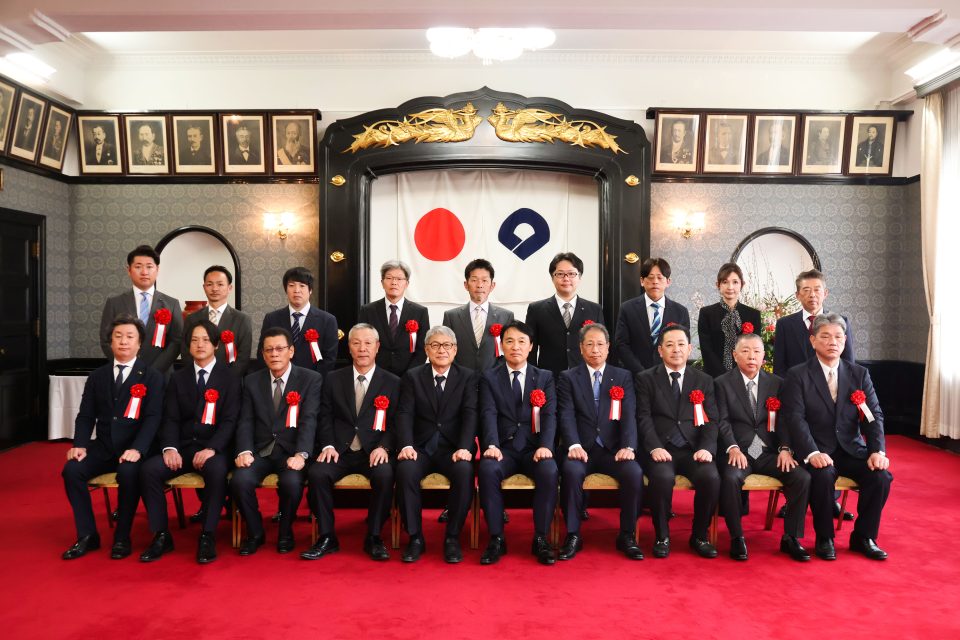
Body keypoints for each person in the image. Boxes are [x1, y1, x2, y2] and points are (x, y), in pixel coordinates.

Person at [782, 313, 892, 561]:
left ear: (845, 341)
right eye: (825, 336)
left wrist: (877, 451)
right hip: (816, 449)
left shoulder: (859, 374)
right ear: (813, 341)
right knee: (822, 475)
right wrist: (812, 453)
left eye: (838, 337)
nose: (833, 342)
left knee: (880, 476)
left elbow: (873, 416)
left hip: (851, 449)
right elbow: (795, 418)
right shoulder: (798, 375)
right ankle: (825, 537)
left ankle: (863, 537)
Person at [61, 315, 164, 560]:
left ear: (140, 343)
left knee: (128, 473)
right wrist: (80, 445)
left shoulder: (152, 377)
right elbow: (86, 415)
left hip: (136, 449)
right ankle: (87, 535)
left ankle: (122, 537)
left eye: (129, 337)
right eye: (118, 336)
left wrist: (138, 449)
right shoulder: (98, 376)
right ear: (110, 342)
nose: (123, 342)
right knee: (72, 470)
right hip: (104, 447)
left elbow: (153, 418)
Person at [138, 320, 241, 564]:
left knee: (216, 471)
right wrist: (170, 448)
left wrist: (212, 448)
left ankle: (208, 534)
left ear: (216, 345)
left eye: (205, 340)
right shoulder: (178, 378)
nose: (200, 345)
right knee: (149, 470)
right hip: (183, 447)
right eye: (194, 340)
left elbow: (230, 421)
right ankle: (161, 534)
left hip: (215, 449)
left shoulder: (230, 378)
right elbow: (170, 418)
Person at [302, 324, 401, 561]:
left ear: (377, 347)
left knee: (385, 475)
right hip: (339, 450)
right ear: (349, 348)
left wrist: (384, 447)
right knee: (317, 474)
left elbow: (397, 421)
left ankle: (374, 536)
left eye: (368, 343)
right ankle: (327, 536)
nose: (362, 348)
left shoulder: (393, 382)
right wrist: (327, 445)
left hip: (373, 451)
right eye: (356, 343)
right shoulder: (333, 379)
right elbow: (324, 416)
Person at [716, 333, 811, 561]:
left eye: (757, 351)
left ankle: (791, 537)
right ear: (735, 355)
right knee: (730, 478)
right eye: (745, 351)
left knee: (802, 477)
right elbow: (722, 421)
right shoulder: (721, 383)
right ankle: (737, 537)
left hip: (768, 452)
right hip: (739, 452)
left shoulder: (777, 383)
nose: (752, 356)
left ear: (763, 357)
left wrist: (785, 448)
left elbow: (786, 420)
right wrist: (732, 447)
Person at [557, 323, 644, 560]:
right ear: (581, 348)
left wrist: (628, 446)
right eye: (589, 344)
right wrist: (573, 444)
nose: (595, 349)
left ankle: (627, 534)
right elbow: (566, 414)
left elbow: (629, 414)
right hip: (581, 449)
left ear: (608, 347)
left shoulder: (623, 376)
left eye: (600, 344)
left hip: (613, 449)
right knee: (571, 472)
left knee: (634, 473)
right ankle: (573, 534)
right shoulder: (568, 377)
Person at [231, 327, 321, 555]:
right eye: (269, 350)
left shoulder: (310, 379)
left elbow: (309, 420)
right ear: (262, 354)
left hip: (291, 452)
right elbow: (245, 420)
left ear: (291, 351)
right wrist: (244, 450)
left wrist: (302, 454)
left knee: (291, 483)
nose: (274, 354)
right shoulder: (251, 381)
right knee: (240, 481)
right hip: (260, 451)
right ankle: (255, 532)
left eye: (280, 348)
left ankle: (285, 531)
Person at [393, 326, 478, 563]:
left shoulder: (468, 377)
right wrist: (406, 445)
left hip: (453, 449)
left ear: (455, 350)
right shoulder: (413, 376)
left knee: (464, 471)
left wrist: (464, 447)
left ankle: (452, 537)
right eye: (435, 345)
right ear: (426, 350)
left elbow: (471, 413)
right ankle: (415, 537)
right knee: (405, 470)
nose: (442, 350)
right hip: (419, 448)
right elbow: (404, 413)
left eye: (447, 345)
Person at [477, 321, 559, 565]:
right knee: (487, 469)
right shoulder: (490, 377)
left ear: (531, 346)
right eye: (510, 341)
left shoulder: (544, 377)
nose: (515, 347)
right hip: (504, 449)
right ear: (501, 345)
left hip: (535, 449)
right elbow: (488, 413)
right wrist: (491, 445)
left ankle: (541, 538)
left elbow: (550, 415)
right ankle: (496, 538)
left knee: (549, 470)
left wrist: (546, 446)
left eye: (522, 341)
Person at [636, 324, 720, 559]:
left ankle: (699, 535)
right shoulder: (645, 379)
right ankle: (662, 536)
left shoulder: (703, 380)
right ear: (660, 350)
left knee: (710, 477)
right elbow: (643, 417)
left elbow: (712, 419)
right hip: (661, 449)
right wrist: (654, 447)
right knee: (661, 478)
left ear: (690, 348)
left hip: (693, 449)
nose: (676, 350)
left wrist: (706, 448)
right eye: (670, 345)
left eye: (681, 344)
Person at [99, 245, 183, 374]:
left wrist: (154, 371)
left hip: (162, 375)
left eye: (149, 267)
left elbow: (176, 341)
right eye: (138, 267)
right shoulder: (114, 303)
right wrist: (127, 365)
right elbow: (106, 340)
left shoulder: (172, 304)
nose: (144, 272)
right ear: (129, 270)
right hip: (125, 373)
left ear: (157, 270)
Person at [524, 252, 605, 377]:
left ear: (579, 277)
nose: (566, 278)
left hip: (585, 377)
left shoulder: (594, 309)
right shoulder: (536, 309)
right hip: (549, 377)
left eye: (571, 274)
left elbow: (602, 346)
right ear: (552, 277)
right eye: (560, 274)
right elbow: (530, 348)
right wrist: (533, 377)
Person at [614, 257, 690, 375]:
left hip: (668, 375)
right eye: (650, 277)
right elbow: (621, 345)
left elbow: (682, 346)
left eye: (659, 277)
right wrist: (641, 373)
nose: (655, 281)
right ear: (642, 281)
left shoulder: (680, 312)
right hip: (635, 375)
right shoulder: (627, 309)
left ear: (668, 281)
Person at [259, 266, 338, 378]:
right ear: (286, 290)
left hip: (312, 382)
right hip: (279, 380)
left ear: (310, 290)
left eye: (302, 286)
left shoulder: (327, 320)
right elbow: (263, 352)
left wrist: (314, 381)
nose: (296, 290)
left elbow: (329, 359)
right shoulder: (272, 318)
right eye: (291, 285)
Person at [773, 269, 855, 377]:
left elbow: (848, 363)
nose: (812, 295)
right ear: (797, 295)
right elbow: (779, 367)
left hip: (831, 384)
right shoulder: (784, 324)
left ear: (825, 293)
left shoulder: (841, 322)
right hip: (796, 384)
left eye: (817, 290)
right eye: (806, 290)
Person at [358, 260, 430, 376]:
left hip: (409, 377)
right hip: (376, 375)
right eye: (389, 278)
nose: (394, 282)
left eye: (399, 279)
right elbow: (362, 344)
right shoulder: (368, 311)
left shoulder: (420, 312)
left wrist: (410, 375)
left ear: (407, 284)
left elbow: (422, 349)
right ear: (382, 283)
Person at [442, 258, 514, 371]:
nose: (479, 285)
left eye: (484, 280)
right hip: (461, 377)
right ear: (466, 285)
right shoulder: (451, 316)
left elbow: (510, 350)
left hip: (495, 377)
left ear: (492, 285)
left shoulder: (506, 316)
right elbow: (446, 349)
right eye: (474, 280)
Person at [182, 265, 253, 376]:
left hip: (229, 381)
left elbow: (243, 357)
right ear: (204, 287)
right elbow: (186, 352)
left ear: (229, 288)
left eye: (220, 284)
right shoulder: (192, 319)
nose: (214, 289)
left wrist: (228, 381)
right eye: (209, 284)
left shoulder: (242, 319)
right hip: (198, 379)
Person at [697, 262, 762, 378]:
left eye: (735, 282)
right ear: (718, 285)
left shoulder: (753, 315)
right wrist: (725, 377)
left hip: (745, 376)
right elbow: (707, 351)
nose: (730, 287)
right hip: (714, 376)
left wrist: (739, 376)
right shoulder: (706, 313)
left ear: (742, 284)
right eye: (725, 282)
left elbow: (755, 349)